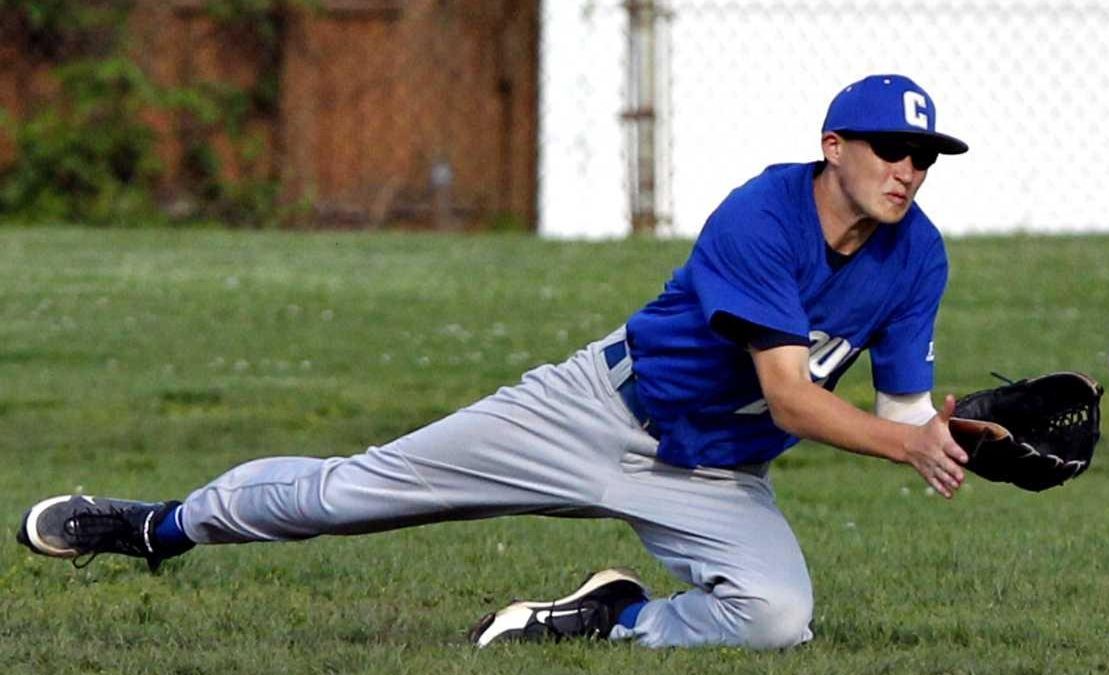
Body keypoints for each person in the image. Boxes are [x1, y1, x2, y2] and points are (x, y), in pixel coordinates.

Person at [17, 74, 971, 650]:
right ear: (833, 145)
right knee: (351, 494)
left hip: (713, 473)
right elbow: (792, 398)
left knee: (774, 619)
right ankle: (162, 527)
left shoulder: (916, 253)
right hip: (594, 412)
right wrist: (909, 447)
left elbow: (904, 406)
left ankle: (611, 620)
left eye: (924, 157)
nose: (908, 171)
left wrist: (964, 439)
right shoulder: (763, 215)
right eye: (892, 149)